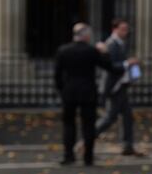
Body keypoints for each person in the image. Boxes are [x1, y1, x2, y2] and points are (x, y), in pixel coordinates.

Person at [54, 23, 120, 166]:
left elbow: (57, 75)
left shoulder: (63, 50)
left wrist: (62, 90)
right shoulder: (92, 51)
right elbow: (109, 67)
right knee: (88, 125)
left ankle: (68, 155)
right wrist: (105, 52)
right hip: (88, 92)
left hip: (69, 92)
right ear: (86, 36)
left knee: (68, 124)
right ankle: (88, 157)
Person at [95, 18, 142, 156]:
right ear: (115, 29)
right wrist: (128, 63)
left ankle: (128, 145)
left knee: (127, 116)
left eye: (126, 29)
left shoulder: (119, 44)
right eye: (123, 29)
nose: (126, 32)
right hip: (114, 87)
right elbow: (112, 67)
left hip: (120, 86)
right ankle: (89, 137)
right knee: (110, 117)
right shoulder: (112, 44)